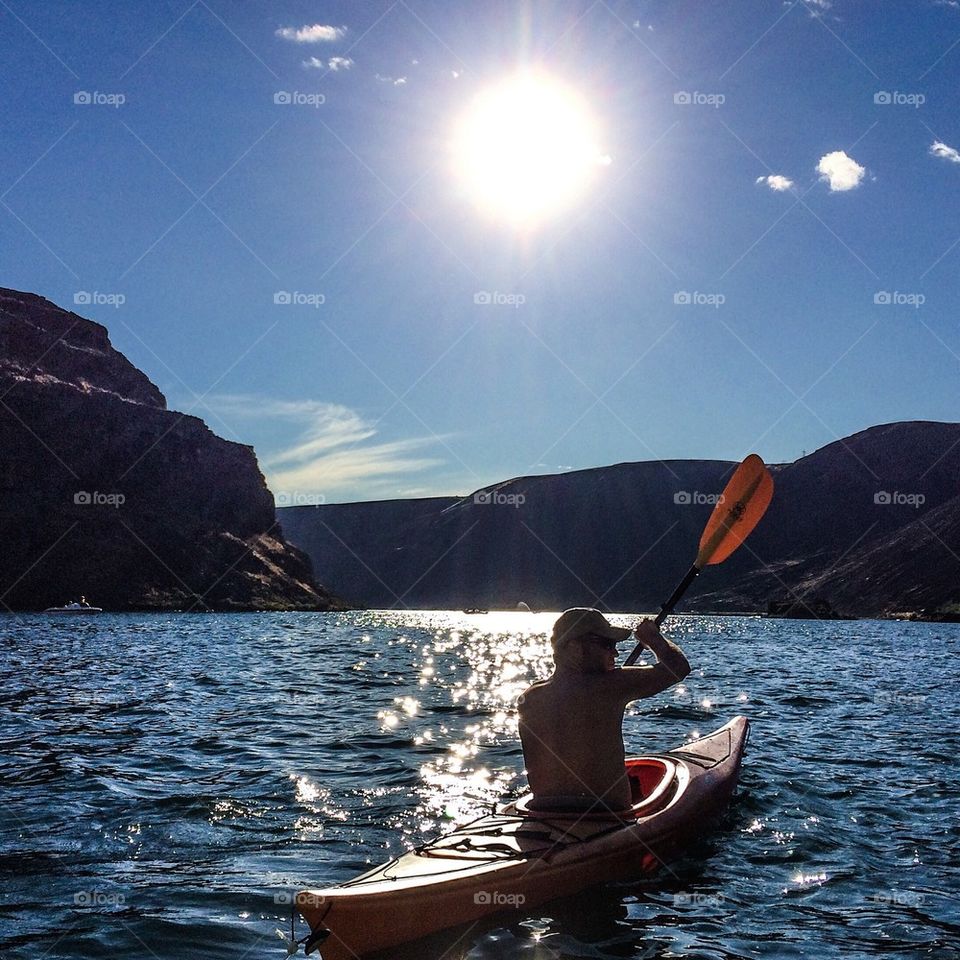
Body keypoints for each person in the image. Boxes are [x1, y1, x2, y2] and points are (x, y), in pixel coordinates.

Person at [517, 608, 690, 813]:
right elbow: (678, 668)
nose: (615, 652)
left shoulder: (529, 698)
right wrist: (652, 639)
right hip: (607, 814)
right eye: (607, 644)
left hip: (542, 811)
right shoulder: (613, 685)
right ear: (574, 647)